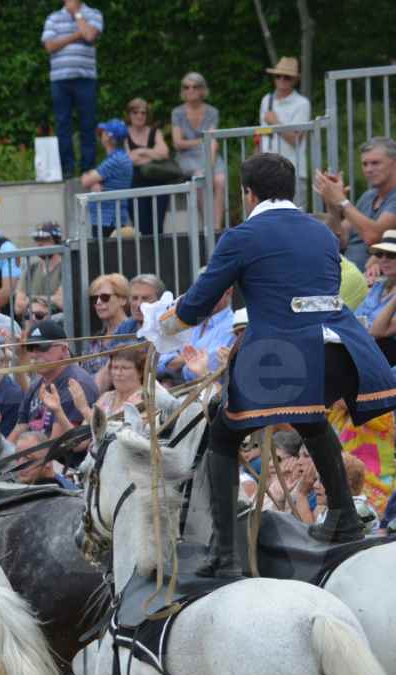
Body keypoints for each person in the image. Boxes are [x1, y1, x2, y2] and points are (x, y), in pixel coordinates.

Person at [170, 152, 396, 575]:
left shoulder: (240, 236)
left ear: (248, 193)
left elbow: (196, 306)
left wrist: (162, 324)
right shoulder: (322, 235)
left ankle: (224, 553)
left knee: (222, 437)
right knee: (310, 418)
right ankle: (345, 518)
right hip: (344, 350)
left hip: (285, 354)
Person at [41, 0, 103, 177]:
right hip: (60, 79)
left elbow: (90, 35)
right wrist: (76, 36)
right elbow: (50, 46)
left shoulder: (93, 14)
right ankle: (67, 169)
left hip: (86, 78)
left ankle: (88, 168)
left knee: (88, 124)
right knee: (62, 124)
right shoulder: (53, 18)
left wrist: (77, 14)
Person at [315, 137, 396, 270]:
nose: (369, 169)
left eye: (375, 163)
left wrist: (341, 200)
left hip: (370, 280)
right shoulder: (368, 196)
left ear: (394, 163)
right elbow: (339, 240)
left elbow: (372, 237)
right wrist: (332, 204)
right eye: (365, 164)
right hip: (344, 273)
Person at [10, 319, 96, 443]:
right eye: (31, 347)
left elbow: (55, 445)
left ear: (64, 349)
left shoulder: (75, 384)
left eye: (42, 347)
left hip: (59, 459)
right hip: (31, 454)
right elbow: (20, 427)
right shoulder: (36, 384)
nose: (35, 354)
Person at [170, 72, 227, 231]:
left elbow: (213, 142)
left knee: (220, 180)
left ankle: (217, 227)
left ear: (202, 90)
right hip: (186, 156)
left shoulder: (212, 111)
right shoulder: (177, 112)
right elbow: (178, 143)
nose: (190, 90)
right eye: (186, 87)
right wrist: (202, 141)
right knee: (200, 178)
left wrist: (210, 164)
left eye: (195, 87)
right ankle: (207, 225)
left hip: (208, 153)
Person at [253, 58, 311, 207]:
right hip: (267, 170)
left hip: (293, 170)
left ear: (295, 80)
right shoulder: (266, 100)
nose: (282, 80)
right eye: (278, 76)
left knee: (296, 216)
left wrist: (275, 123)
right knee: (267, 216)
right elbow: (261, 136)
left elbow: (296, 139)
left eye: (287, 77)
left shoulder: (302, 103)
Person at [124, 99, 174, 233]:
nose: (139, 116)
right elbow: (128, 159)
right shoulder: (124, 133)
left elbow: (164, 153)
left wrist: (141, 151)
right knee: (140, 228)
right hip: (134, 186)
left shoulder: (155, 132)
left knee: (157, 228)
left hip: (158, 184)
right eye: (135, 112)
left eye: (143, 113)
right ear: (129, 114)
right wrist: (152, 154)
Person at [81, 120, 133, 234]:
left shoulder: (115, 160)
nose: (101, 135)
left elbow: (85, 180)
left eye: (104, 133)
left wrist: (91, 179)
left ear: (109, 138)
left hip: (107, 220)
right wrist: (94, 181)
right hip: (110, 218)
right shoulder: (121, 157)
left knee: (104, 252)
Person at [14, 222, 66, 317]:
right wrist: (45, 302)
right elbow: (18, 307)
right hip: (31, 321)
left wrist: (31, 299)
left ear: (57, 241)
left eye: (45, 239)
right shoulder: (31, 268)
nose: (39, 243)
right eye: (37, 239)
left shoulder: (66, 268)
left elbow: (62, 302)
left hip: (57, 323)